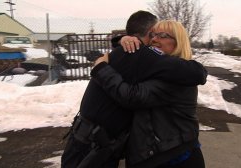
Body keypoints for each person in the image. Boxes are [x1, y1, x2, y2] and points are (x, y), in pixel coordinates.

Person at [61, 11, 207, 168]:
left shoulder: (174, 74)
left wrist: (101, 68)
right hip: (93, 145)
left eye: (162, 35)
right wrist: (122, 40)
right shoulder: (146, 64)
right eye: (153, 35)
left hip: (175, 157)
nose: (155, 39)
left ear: (179, 42)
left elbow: (132, 96)